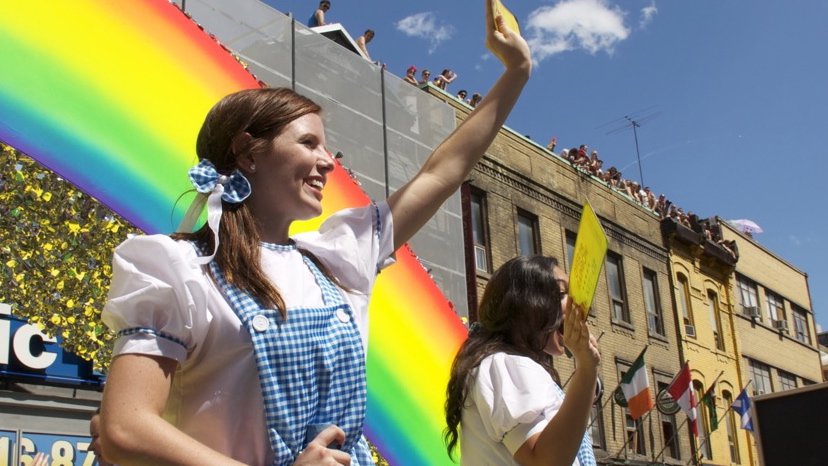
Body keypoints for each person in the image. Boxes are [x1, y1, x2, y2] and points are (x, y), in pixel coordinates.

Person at [99, 2, 532, 465]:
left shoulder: (339, 257)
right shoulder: (179, 267)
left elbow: (442, 172)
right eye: (309, 143)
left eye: (327, 147)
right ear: (247, 152)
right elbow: (125, 427)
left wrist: (517, 72)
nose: (329, 161)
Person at [444, 256, 599, 466]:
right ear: (527, 305)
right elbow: (546, 461)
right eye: (563, 294)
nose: (575, 305)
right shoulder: (504, 365)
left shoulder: (508, 365)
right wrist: (587, 369)